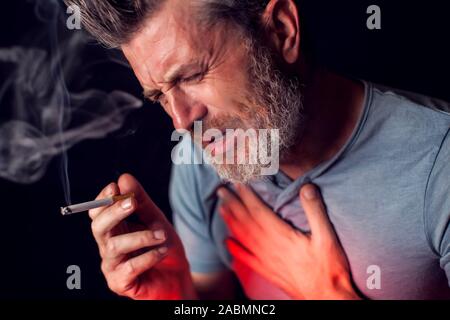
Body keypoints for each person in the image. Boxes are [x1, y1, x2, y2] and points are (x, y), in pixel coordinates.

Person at [66, 0, 450, 299]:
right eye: (161, 96)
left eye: (193, 75)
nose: (182, 121)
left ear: (282, 30)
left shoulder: (439, 161)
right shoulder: (203, 159)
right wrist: (175, 292)